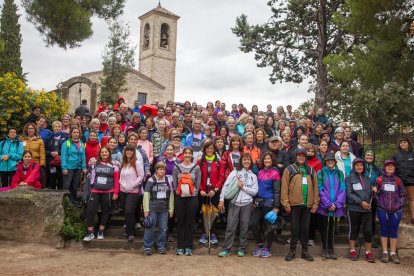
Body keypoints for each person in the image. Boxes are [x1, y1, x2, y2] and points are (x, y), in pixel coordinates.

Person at [281, 149, 319, 262]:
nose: (301, 158)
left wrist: (315, 203)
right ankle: (292, 251)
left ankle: (305, 251)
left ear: (305, 157)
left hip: (307, 205)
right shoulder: (289, 169)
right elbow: (284, 187)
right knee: (295, 228)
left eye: (303, 156)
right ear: (296, 156)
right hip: (294, 204)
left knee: (305, 229)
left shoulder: (311, 170)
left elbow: (316, 188)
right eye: (299, 156)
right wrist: (285, 203)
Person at [218, 153, 258, 257]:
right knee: (231, 226)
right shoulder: (234, 172)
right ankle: (226, 249)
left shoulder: (253, 176)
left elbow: (255, 192)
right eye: (244, 159)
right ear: (241, 161)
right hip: (234, 203)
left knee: (244, 227)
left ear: (251, 162)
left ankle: (242, 249)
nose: (246, 161)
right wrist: (221, 200)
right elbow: (225, 186)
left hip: (247, 204)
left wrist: (243, 187)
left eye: (248, 160)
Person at [83, 147, 120, 241]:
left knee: (105, 211)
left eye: (106, 152)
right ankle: (90, 232)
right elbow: (89, 174)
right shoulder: (95, 164)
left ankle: (101, 231)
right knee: (90, 210)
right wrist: (90, 162)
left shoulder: (114, 165)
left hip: (108, 192)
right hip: (95, 190)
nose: (104, 153)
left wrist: (116, 193)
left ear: (109, 153)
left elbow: (116, 181)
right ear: (99, 153)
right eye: (102, 152)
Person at [250, 152, 281, 258]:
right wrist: (254, 201)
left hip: (270, 202)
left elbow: (277, 190)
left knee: (269, 226)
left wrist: (276, 206)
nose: (267, 160)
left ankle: (267, 249)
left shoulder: (276, 172)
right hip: (258, 202)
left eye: (269, 159)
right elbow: (257, 187)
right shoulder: (260, 172)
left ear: (272, 160)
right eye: (265, 159)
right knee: (253, 223)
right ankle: (260, 245)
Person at [375, 160, 406, 264]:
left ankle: (393, 253)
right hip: (382, 209)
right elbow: (375, 193)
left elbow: (403, 194)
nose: (390, 167)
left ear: (394, 168)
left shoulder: (398, 180)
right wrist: (379, 203)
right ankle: (384, 252)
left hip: (396, 210)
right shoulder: (379, 180)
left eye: (392, 166)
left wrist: (400, 204)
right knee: (384, 229)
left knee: (394, 230)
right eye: (388, 166)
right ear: (384, 167)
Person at [316, 152, 346, 260]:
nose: (330, 162)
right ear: (325, 162)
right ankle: (325, 248)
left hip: (335, 206)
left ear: (335, 161)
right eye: (328, 160)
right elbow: (319, 189)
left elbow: (343, 189)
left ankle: (331, 249)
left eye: (332, 160)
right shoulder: (321, 173)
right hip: (325, 206)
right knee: (324, 227)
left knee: (332, 228)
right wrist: (328, 203)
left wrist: (337, 204)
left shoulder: (339, 173)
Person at [346, 158, 376, 262]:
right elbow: (349, 194)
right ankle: (352, 251)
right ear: (354, 167)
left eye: (361, 165)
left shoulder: (367, 178)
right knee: (354, 229)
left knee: (368, 231)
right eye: (357, 165)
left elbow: (369, 192)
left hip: (366, 209)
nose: (359, 167)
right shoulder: (349, 178)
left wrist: (373, 191)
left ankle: (368, 252)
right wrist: (360, 202)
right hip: (354, 208)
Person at [172, 147, 201, 256]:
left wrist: (193, 192)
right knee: (180, 222)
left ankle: (189, 246)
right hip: (180, 198)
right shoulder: (177, 168)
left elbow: (197, 184)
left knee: (190, 222)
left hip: (192, 198)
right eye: (186, 153)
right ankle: (180, 246)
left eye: (190, 153)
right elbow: (175, 183)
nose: (188, 155)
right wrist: (179, 191)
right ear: (182, 155)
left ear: (192, 155)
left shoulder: (196, 168)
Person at [143, 162, 174, 255]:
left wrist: (171, 209)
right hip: (152, 209)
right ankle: (148, 247)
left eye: (163, 169)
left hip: (164, 209)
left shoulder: (168, 180)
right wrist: (146, 209)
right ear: (156, 170)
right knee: (149, 228)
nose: (162, 171)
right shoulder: (151, 180)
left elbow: (171, 195)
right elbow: (146, 195)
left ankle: (161, 246)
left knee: (163, 228)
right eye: (160, 169)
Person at [118, 144, 145, 242]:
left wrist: (133, 185)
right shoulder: (124, 163)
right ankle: (127, 231)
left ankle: (131, 233)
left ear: (133, 152)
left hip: (133, 191)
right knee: (125, 211)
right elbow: (121, 176)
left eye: (131, 151)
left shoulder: (136, 163)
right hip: (123, 191)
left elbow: (141, 176)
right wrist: (121, 183)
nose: (129, 152)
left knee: (130, 211)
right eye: (127, 150)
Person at [197, 141, 221, 245]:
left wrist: (215, 189)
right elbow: (198, 178)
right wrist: (201, 189)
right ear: (204, 149)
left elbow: (221, 177)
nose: (209, 150)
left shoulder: (218, 162)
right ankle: (204, 233)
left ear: (214, 149)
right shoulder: (200, 162)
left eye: (211, 148)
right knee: (204, 212)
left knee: (214, 212)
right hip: (203, 192)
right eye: (207, 148)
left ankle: (213, 233)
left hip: (214, 192)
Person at [61, 127, 87, 205]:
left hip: (78, 167)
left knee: (75, 186)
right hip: (69, 167)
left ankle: (74, 201)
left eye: (77, 132)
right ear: (71, 133)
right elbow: (63, 156)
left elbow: (83, 156)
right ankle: (66, 201)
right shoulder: (66, 143)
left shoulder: (81, 143)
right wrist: (64, 168)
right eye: (74, 132)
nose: (76, 134)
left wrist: (84, 167)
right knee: (67, 185)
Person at [393, 137, 414, 224]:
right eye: (401, 143)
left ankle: (413, 217)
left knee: (411, 199)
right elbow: (391, 167)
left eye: (404, 142)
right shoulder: (396, 155)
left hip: (410, 181)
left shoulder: (412, 155)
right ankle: (397, 217)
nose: (402, 144)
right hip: (398, 181)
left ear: (408, 144)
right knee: (397, 199)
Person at [364, 150, 382, 248]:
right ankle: (360, 237)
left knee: (371, 217)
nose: (369, 156)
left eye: (371, 155)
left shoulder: (377, 168)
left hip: (373, 196)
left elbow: (380, 180)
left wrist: (376, 187)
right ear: (364, 156)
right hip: (362, 195)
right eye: (367, 155)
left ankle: (371, 238)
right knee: (360, 217)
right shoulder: (360, 166)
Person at [45, 121, 68, 189]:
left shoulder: (65, 137)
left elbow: (67, 149)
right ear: (53, 128)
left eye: (58, 127)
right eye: (55, 126)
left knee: (61, 176)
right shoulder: (49, 137)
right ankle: (52, 192)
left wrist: (59, 152)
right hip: (52, 161)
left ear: (61, 127)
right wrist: (50, 153)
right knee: (53, 176)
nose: (57, 128)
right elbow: (44, 150)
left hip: (62, 159)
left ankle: (61, 193)